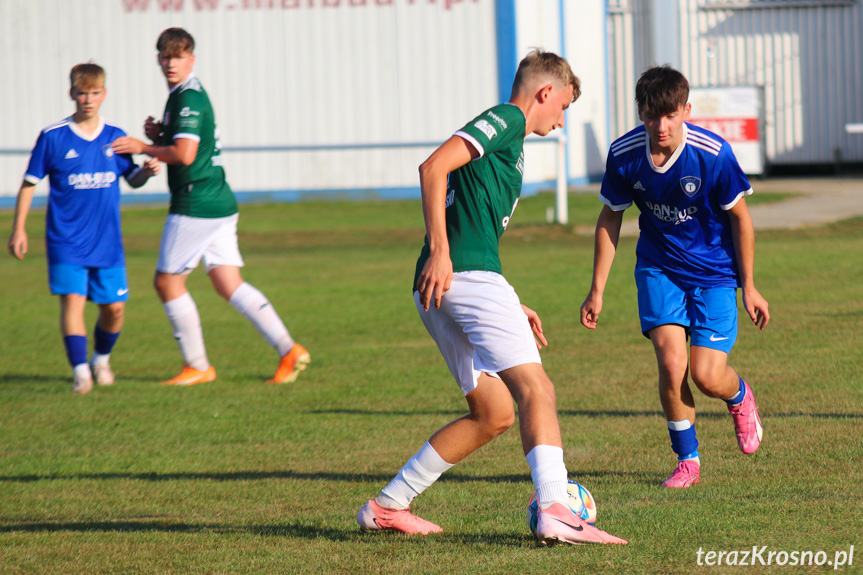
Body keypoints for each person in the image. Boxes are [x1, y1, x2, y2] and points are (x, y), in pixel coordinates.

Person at [355, 49, 627, 546]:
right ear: (544, 92)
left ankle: (388, 506)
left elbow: (472, 220)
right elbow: (432, 167)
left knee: (494, 412)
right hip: (460, 277)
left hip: (446, 285)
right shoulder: (505, 119)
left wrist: (505, 296)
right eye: (562, 107)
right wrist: (442, 252)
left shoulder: (510, 142)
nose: (561, 121)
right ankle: (556, 508)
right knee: (536, 390)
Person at [580, 65, 769, 488]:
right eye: (651, 115)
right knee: (671, 364)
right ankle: (687, 461)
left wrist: (750, 287)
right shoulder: (625, 154)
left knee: (706, 375)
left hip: (715, 272)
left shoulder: (713, 154)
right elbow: (610, 217)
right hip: (658, 267)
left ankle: (739, 397)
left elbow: (741, 220)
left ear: (686, 109)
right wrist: (596, 290)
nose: (660, 126)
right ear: (641, 112)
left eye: (669, 115)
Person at [111, 27, 308, 386]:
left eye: (179, 56)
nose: (171, 62)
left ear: (192, 59)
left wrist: (144, 147)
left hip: (196, 202)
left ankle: (198, 365)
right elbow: (185, 146)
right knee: (228, 282)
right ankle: (289, 350)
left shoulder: (188, 98)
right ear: (158, 58)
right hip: (217, 199)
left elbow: (185, 155)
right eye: (166, 56)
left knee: (167, 283)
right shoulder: (182, 95)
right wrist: (161, 138)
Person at [7, 63, 160, 394]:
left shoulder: (115, 137)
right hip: (66, 241)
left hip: (107, 243)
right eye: (82, 93)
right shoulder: (53, 137)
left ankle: (100, 359)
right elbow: (29, 183)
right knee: (72, 302)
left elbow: (130, 179)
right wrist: (18, 228)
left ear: (104, 95)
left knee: (115, 310)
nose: (88, 99)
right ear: (71, 94)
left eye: (94, 93)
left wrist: (145, 173)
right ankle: (80, 372)